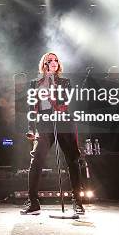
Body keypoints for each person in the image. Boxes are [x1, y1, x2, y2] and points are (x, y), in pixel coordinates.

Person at [21, 52, 85, 215]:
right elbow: (32, 107)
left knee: (73, 160)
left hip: (63, 121)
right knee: (36, 161)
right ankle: (33, 203)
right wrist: (31, 127)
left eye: (56, 60)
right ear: (44, 64)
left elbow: (64, 101)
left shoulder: (65, 82)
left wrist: (52, 85)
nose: (54, 62)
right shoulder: (34, 84)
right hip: (44, 123)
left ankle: (77, 202)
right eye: (50, 60)